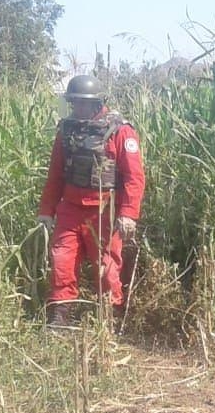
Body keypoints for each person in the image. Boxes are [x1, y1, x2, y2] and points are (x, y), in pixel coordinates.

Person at [37, 74, 146, 328]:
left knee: (106, 267)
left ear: (97, 103)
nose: (77, 108)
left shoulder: (120, 131)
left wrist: (128, 213)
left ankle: (110, 318)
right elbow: (55, 174)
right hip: (70, 209)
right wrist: (47, 210)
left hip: (105, 211)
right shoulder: (67, 130)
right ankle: (60, 317)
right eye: (74, 102)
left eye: (82, 103)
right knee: (61, 261)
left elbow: (134, 177)